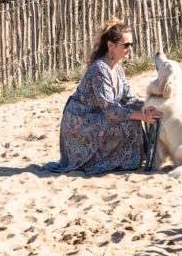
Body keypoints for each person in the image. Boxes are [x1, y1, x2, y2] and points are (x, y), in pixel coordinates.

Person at [51, 19, 163, 174]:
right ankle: (101, 162)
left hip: (96, 116)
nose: (130, 49)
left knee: (134, 120)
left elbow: (129, 100)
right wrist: (142, 116)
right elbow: (110, 109)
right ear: (111, 45)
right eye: (126, 45)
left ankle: (126, 161)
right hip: (80, 121)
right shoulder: (100, 69)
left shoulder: (118, 70)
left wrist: (152, 107)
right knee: (132, 122)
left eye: (131, 44)